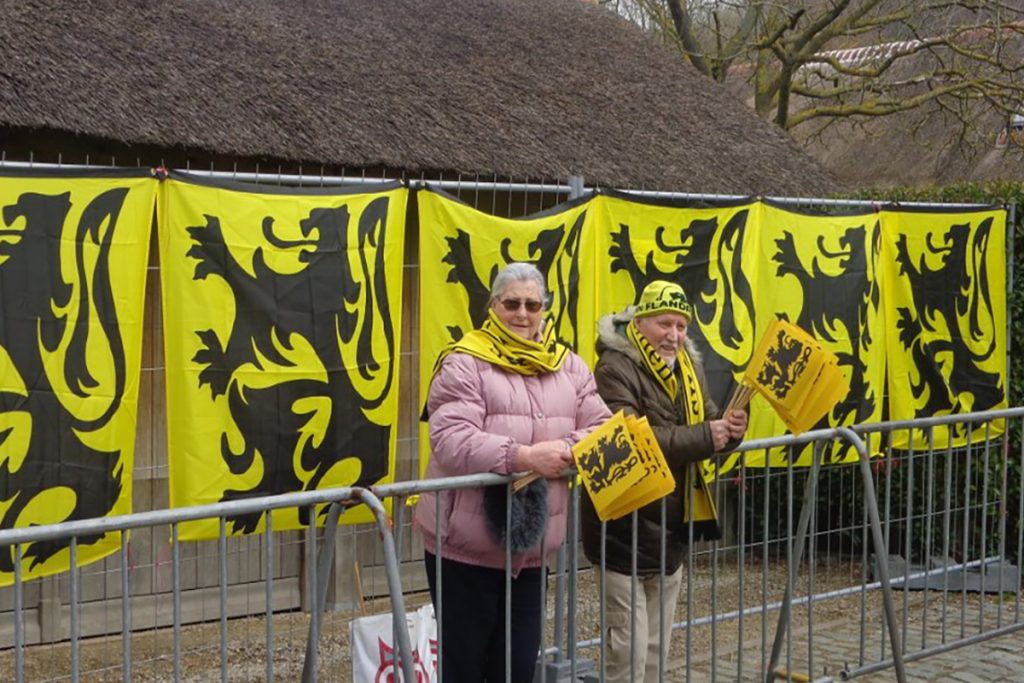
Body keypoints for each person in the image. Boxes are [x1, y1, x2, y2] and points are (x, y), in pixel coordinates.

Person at [414, 261, 611, 683]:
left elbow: (602, 427)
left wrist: (563, 451)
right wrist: (522, 457)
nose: (523, 314)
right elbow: (450, 439)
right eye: (512, 303)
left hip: (532, 552)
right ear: (493, 306)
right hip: (464, 548)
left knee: (517, 667)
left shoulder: (570, 366)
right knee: (464, 669)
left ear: (544, 309)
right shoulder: (464, 362)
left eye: (532, 305)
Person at [581, 280, 748, 683]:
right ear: (639, 322)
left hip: (670, 530)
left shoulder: (689, 367)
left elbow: (708, 417)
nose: (673, 336)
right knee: (627, 652)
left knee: (657, 651)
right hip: (623, 528)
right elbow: (629, 439)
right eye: (664, 324)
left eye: (681, 326)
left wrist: (732, 429)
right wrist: (708, 435)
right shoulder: (613, 367)